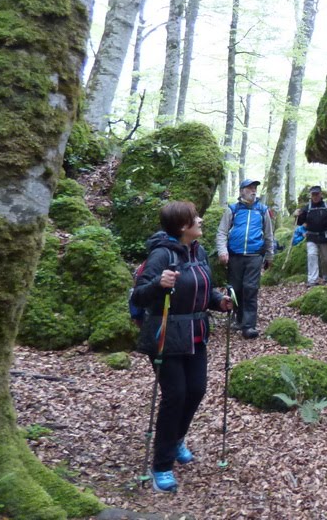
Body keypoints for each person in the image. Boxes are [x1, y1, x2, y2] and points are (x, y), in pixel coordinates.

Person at [131, 201, 232, 493]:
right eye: (194, 218)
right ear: (181, 226)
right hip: (166, 335)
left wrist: (219, 301)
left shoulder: (199, 251)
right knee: (175, 396)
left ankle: (176, 439)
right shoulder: (161, 254)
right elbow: (139, 296)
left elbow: (203, 290)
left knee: (196, 389)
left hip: (196, 333)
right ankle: (161, 464)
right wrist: (159, 284)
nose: (200, 220)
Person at [216, 179, 274, 339]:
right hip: (235, 255)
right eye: (249, 188)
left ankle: (249, 326)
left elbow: (269, 234)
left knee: (250, 288)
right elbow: (222, 232)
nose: (253, 191)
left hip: (255, 255)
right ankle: (238, 318)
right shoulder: (233, 209)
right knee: (235, 289)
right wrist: (222, 251)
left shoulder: (262, 210)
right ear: (242, 191)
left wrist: (270, 255)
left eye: (255, 188)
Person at [295, 185, 327, 286]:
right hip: (311, 237)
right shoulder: (307, 207)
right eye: (313, 194)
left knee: (326, 259)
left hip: (325, 237)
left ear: (321, 194)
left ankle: (326, 276)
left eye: (317, 194)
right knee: (312, 256)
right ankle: (312, 280)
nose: (315, 196)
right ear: (311, 195)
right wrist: (297, 215)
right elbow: (300, 222)